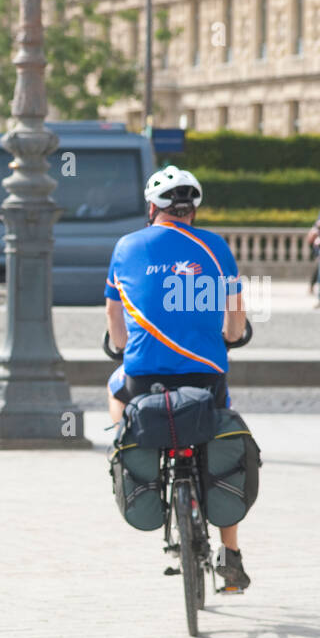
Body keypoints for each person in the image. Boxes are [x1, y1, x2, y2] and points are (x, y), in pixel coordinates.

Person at [103, 165, 251, 591]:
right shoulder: (216, 246)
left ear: (153, 208)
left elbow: (115, 314)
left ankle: (123, 443)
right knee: (220, 431)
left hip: (143, 377)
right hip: (205, 377)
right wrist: (232, 336)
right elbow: (235, 314)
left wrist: (120, 345)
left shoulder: (127, 245)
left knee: (115, 387)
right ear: (194, 209)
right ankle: (231, 552)